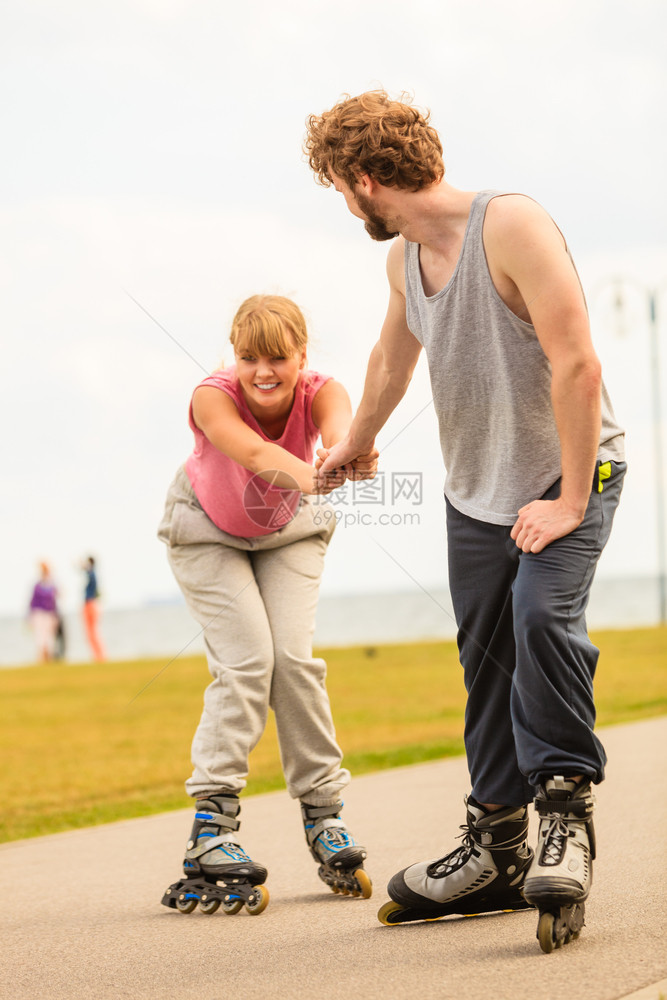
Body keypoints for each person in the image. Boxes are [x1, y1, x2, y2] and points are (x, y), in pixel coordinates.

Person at [305, 90, 626, 951]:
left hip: (574, 472)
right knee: (484, 659)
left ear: (367, 179)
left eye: (340, 187)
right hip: (476, 492)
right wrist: (356, 445)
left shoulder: (510, 225)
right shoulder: (403, 260)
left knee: (538, 619)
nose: (344, 204)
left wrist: (564, 497)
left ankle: (564, 816)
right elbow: (390, 357)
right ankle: (496, 846)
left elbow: (578, 363)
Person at [158, 294, 376, 915]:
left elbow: (340, 430)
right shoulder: (211, 396)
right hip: (207, 532)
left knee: (293, 660)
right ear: (235, 358)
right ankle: (212, 828)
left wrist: (347, 454)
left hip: (288, 531)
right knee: (249, 662)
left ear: (301, 356)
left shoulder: (321, 389)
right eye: (249, 357)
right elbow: (253, 454)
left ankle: (323, 815)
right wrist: (321, 476)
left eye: (277, 357)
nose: (262, 371)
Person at [28, 562, 60, 663]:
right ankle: (42, 658)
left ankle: (48, 657)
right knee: (40, 636)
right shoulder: (38, 586)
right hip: (39, 614)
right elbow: (33, 601)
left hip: (49, 614)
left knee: (49, 636)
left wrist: (56, 615)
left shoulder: (51, 585)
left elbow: (55, 601)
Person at [81, 556, 106, 662]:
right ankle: (98, 656)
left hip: (90, 604)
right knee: (92, 633)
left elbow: (85, 570)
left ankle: (99, 656)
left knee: (92, 633)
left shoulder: (92, 574)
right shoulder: (92, 574)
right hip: (92, 604)